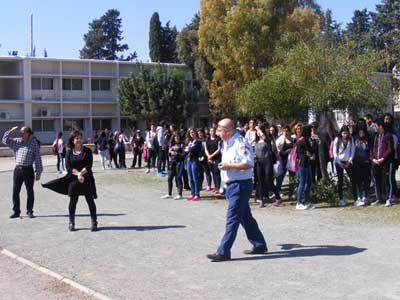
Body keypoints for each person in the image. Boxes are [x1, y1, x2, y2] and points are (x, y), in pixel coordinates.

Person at [206, 119, 268, 262]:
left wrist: (229, 166)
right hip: (232, 185)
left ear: (228, 131)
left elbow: (248, 163)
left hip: (240, 185)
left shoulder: (240, 142)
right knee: (245, 217)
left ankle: (223, 251)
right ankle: (259, 244)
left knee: (232, 218)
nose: (217, 132)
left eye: (219, 129)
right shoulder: (226, 143)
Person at [42, 130, 98, 231]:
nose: (79, 140)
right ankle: (71, 222)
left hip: (87, 179)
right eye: (77, 138)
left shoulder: (87, 151)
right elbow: (68, 167)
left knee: (90, 200)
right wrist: (78, 174)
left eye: (80, 138)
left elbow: (89, 165)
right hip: (74, 179)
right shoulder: (69, 152)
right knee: (73, 201)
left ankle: (94, 222)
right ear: (72, 140)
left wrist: (81, 174)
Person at [2, 126, 43, 218]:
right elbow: (4, 140)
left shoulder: (33, 143)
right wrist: (10, 131)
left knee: (30, 191)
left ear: (28, 133)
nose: (20, 134)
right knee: (15, 191)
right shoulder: (16, 141)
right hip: (18, 170)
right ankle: (16, 211)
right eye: (20, 132)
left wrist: (38, 172)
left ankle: (29, 211)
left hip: (28, 170)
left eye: (22, 132)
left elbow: (37, 158)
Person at [254, 124, 281, 207]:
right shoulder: (256, 141)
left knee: (268, 180)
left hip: (267, 161)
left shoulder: (267, 140)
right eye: (257, 131)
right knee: (260, 181)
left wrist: (258, 129)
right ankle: (261, 199)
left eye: (260, 131)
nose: (258, 132)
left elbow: (265, 138)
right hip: (259, 161)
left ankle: (278, 197)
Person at [370, 119, 393, 207]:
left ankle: (388, 199)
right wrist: (373, 159)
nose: (374, 128)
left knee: (386, 180)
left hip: (385, 162)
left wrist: (383, 158)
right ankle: (379, 198)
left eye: (375, 126)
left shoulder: (388, 136)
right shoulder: (375, 136)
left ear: (380, 126)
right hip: (376, 162)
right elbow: (371, 149)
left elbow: (390, 149)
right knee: (377, 180)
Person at [333, 125, 357, 206]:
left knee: (353, 179)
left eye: (346, 133)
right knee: (340, 181)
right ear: (341, 133)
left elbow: (352, 150)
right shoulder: (337, 139)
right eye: (344, 133)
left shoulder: (351, 139)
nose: (345, 135)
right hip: (339, 162)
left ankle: (355, 198)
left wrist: (349, 161)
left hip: (348, 161)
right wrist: (339, 163)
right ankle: (341, 199)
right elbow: (334, 152)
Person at [161, 133, 185, 200]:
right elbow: (169, 155)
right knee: (169, 178)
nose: (177, 138)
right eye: (175, 137)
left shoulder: (182, 144)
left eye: (178, 137)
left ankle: (180, 194)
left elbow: (183, 155)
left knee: (178, 178)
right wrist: (169, 152)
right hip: (172, 163)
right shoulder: (172, 145)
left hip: (179, 163)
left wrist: (176, 153)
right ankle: (169, 194)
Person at [295, 125, 315, 210]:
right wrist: (314, 142)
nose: (311, 133)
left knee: (309, 182)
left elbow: (310, 151)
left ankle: (307, 201)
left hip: (307, 163)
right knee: (302, 183)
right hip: (302, 163)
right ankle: (298, 202)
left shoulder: (305, 139)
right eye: (310, 131)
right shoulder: (304, 140)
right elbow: (311, 150)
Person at [353, 126, 371, 206]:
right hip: (357, 162)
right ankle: (358, 197)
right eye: (360, 133)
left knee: (366, 180)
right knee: (358, 180)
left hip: (366, 162)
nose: (361, 134)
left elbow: (370, 150)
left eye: (363, 132)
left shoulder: (368, 140)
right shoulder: (354, 140)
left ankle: (364, 196)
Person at [185, 128, 202, 201]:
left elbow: (194, 149)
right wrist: (188, 149)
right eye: (190, 132)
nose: (192, 134)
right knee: (190, 177)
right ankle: (192, 193)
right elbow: (185, 149)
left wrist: (189, 149)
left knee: (195, 177)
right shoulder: (190, 141)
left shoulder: (198, 141)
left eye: (193, 132)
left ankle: (197, 194)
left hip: (195, 160)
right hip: (189, 160)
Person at [205, 127, 222, 194]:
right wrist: (208, 156)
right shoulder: (207, 139)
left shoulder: (218, 139)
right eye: (211, 131)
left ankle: (218, 187)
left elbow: (219, 149)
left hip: (217, 158)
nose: (212, 132)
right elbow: (206, 149)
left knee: (217, 173)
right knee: (213, 173)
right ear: (209, 132)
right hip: (210, 159)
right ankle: (215, 187)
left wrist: (211, 156)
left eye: (214, 131)